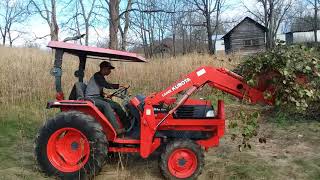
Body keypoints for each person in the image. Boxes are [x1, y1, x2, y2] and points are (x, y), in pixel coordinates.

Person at [85, 61, 128, 135]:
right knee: (106, 105)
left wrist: (105, 95)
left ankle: (127, 125)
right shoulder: (97, 76)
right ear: (104, 69)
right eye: (109, 69)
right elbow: (105, 85)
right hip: (91, 98)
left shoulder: (101, 77)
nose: (110, 71)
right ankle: (117, 129)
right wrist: (120, 85)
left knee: (116, 105)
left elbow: (99, 88)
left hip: (98, 97)